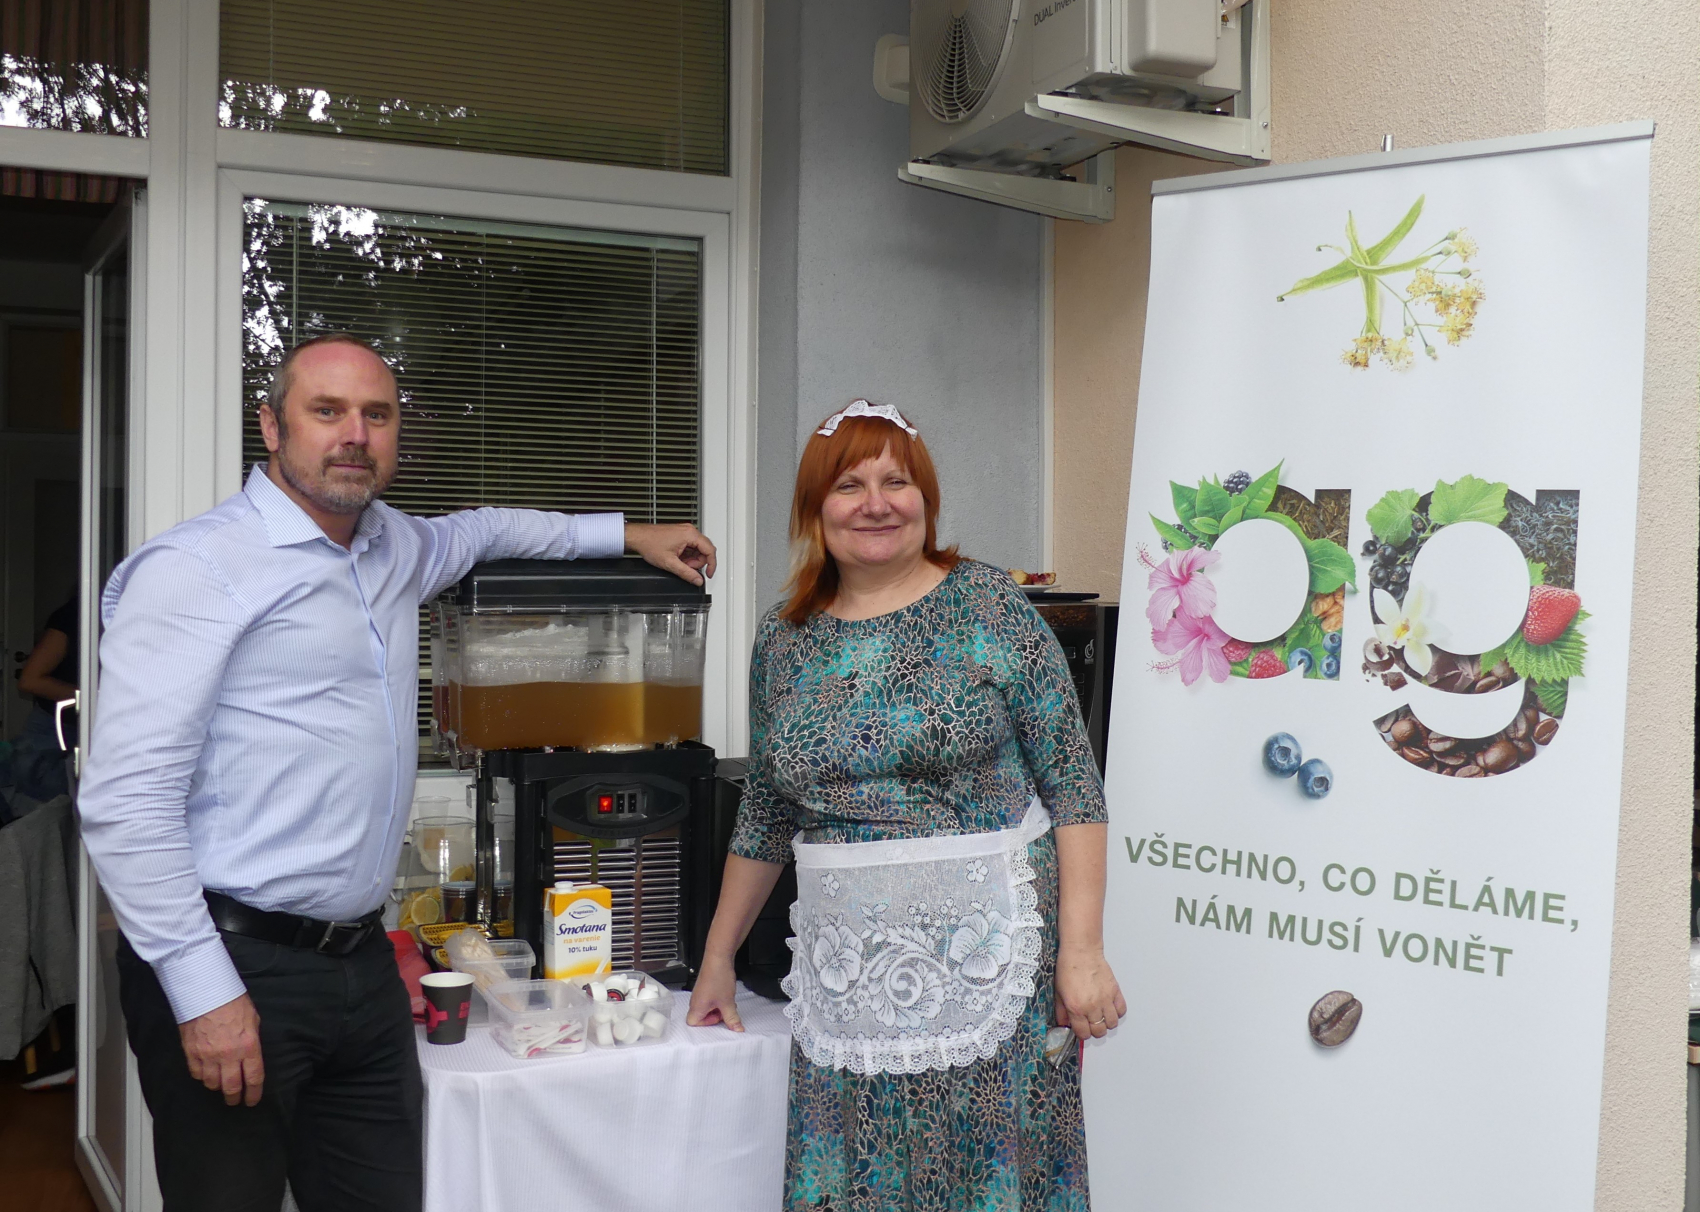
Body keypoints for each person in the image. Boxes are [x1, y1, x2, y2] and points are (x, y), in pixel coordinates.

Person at [78, 332, 716, 1211]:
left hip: (361, 969)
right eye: (327, 410)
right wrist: (203, 992)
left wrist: (632, 534)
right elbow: (125, 802)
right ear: (272, 425)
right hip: (231, 959)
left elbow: (490, 528)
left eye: (376, 415)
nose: (355, 434)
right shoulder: (197, 568)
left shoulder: (394, 548)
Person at [688, 399, 1122, 1209]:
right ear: (815, 508)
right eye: (849, 485)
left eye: (897, 481)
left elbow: (1073, 782)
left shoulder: (990, 607)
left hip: (991, 964)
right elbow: (768, 814)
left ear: (926, 497)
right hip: (848, 977)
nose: (876, 503)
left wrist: (1084, 950)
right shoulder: (783, 639)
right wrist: (718, 956)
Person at [12, 596, 76, 803]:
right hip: (55, 730)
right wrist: (101, 698)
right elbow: (30, 681)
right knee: (42, 808)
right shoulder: (76, 613)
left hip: (99, 729)